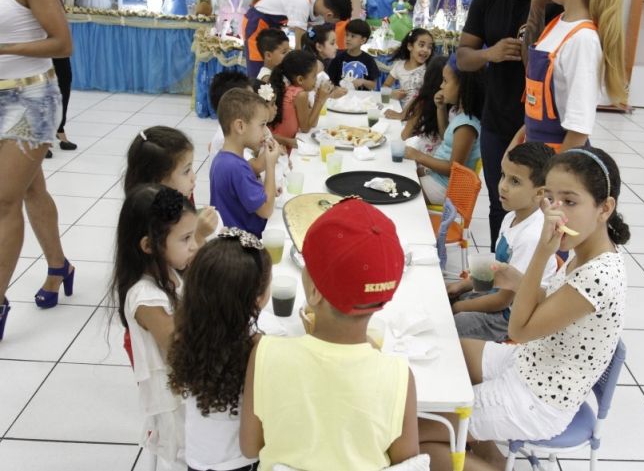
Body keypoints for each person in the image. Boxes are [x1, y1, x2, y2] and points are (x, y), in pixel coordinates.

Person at [419, 147, 630, 469]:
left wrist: (541, 256)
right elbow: (559, 302)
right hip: (528, 363)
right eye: (550, 199)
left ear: (605, 208)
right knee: (450, 351)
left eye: (570, 202)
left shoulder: (600, 274)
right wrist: (520, 282)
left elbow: (519, 331)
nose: (556, 214)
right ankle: (489, 450)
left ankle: (483, 455)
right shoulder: (587, 249)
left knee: (417, 439)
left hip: (540, 399)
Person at [240, 198, 419, 469]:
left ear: (313, 292)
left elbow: (250, 447)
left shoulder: (266, 354)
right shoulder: (400, 377)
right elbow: (405, 463)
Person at [0, 0, 73, 339]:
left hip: (32, 100)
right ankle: (59, 266)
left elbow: (62, 42)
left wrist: (5, 46)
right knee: (31, 190)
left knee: (4, 201)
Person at [456, 0, 539, 251]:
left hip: (540, 125)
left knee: (540, 209)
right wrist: (489, 54)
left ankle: (533, 283)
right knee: (499, 201)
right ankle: (498, 272)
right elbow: (463, 57)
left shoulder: (557, 1)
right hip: (496, 120)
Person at [511, 0, 625, 157]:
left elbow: (578, 131)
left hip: (557, 162)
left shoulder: (582, 40)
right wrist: (516, 142)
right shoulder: (556, 25)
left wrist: (551, 181)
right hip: (534, 156)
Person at [109, 184, 198, 468]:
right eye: (185, 239)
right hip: (176, 399)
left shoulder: (168, 271)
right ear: (149, 246)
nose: (194, 245)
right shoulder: (145, 298)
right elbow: (178, 349)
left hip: (188, 385)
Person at [168, 228, 269, 471]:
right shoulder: (256, 348)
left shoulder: (187, 332)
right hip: (237, 461)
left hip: (198, 454)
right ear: (256, 299)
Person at [449, 142, 558, 342]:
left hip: (510, 316)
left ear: (540, 193)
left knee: (451, 324)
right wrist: (461, 286)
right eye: (502, 175)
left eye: (515, 181)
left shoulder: (531, 237)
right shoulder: (512, 216)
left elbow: (502, 301)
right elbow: (495, 270)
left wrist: (458, 307)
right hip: (496, 294)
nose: (503, 186)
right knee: (448, 296)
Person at [405, 55, 483, 206]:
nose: (441, 86)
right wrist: (440, 109)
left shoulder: (467, 125)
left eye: (446, 81)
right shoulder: (460, 115)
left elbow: (453, 169)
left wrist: (418, 156)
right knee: (402, 175)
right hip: (437, 180)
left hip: (445, 189)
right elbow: (446, 137)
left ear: (463, 87)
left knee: (401, 189)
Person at [124, 126, 219, 247]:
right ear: (158, 182)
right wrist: (199, 235)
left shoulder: (182, 198)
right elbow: (182, 263)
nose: (193, 177)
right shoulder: (155, 224)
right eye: (186, 171)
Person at [31, 0, 77, 155]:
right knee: (39, 79)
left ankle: (60, 128)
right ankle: (42, 135)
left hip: (53, 15)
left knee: (64, 76)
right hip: (31, 20)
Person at [210, 88, 280, 237]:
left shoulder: (222, 159)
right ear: (240, 126)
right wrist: (270, 165)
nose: (265, 131)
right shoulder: (237, 167)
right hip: (243, 245)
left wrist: (268, 188)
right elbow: (266, 210)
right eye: (262, 125)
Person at [242, 0, 352, 78]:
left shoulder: (320, 7)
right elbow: (298, 49)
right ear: (329, 15)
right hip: (256, 23)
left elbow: (308, 39)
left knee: (275, 71)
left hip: (274, 27)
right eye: (335, 22)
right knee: (258, 71)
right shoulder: (302, 4)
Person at [268, 50, 332, 150]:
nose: (316, 80)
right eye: (314, 76)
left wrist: (317, 99)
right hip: (283, 147)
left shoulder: (288, 88)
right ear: (300, 79)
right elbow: (306, 128)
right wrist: (320, 100)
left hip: (279, 142)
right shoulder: (300, 94)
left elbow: (312, 123)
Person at [396, 55, 447, 157]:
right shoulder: (453, 107)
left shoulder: (423, 101)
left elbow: (404, 135)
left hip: (423, 157)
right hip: (441, 157)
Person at [381, 28, 433, 108]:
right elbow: (385, 86)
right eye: (421, 45)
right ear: (410, 46)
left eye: (429, 47)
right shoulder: (399, 66)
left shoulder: (430, 68)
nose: (426, 50)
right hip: (403, 114)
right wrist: (392, 93)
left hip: (422, 116)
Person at [327, 19, 380, 91]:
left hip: (361, 99)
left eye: (353, 36)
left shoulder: (369, 60)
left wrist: (363, 81)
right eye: (347, 35)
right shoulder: (338, 58)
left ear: (363, 40)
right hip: (341, 98)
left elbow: (373, 85)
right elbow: (330, 81)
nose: (348, 39)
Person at [299, 23, 347, 98]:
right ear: (319, 47)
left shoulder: (316, 62)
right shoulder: (317, 65)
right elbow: (312, 96)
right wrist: (333, 94)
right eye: (332, 43)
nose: (337, 47)